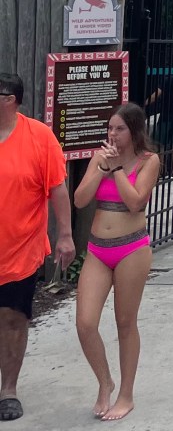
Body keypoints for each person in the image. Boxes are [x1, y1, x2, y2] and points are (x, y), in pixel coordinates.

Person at [74, 103, 160, 421]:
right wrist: (101, 168)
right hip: (98, 249)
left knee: (125, 323)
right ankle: (104, 382)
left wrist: (118, 171)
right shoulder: (101, 157)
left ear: (135, 131)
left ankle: (126, 394)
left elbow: (137, 203)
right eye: (110, 128)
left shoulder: (150, 161)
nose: (113, 134)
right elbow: (80, 199)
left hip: (132, 249)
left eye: (119, 129)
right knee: (85, 323)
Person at [0, 73, 75, 423]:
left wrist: (65, 235)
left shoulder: (39, 137)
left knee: (13, 318)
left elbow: (57, 189)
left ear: (10, 99)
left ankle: (9, 390)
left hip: (19, 247)